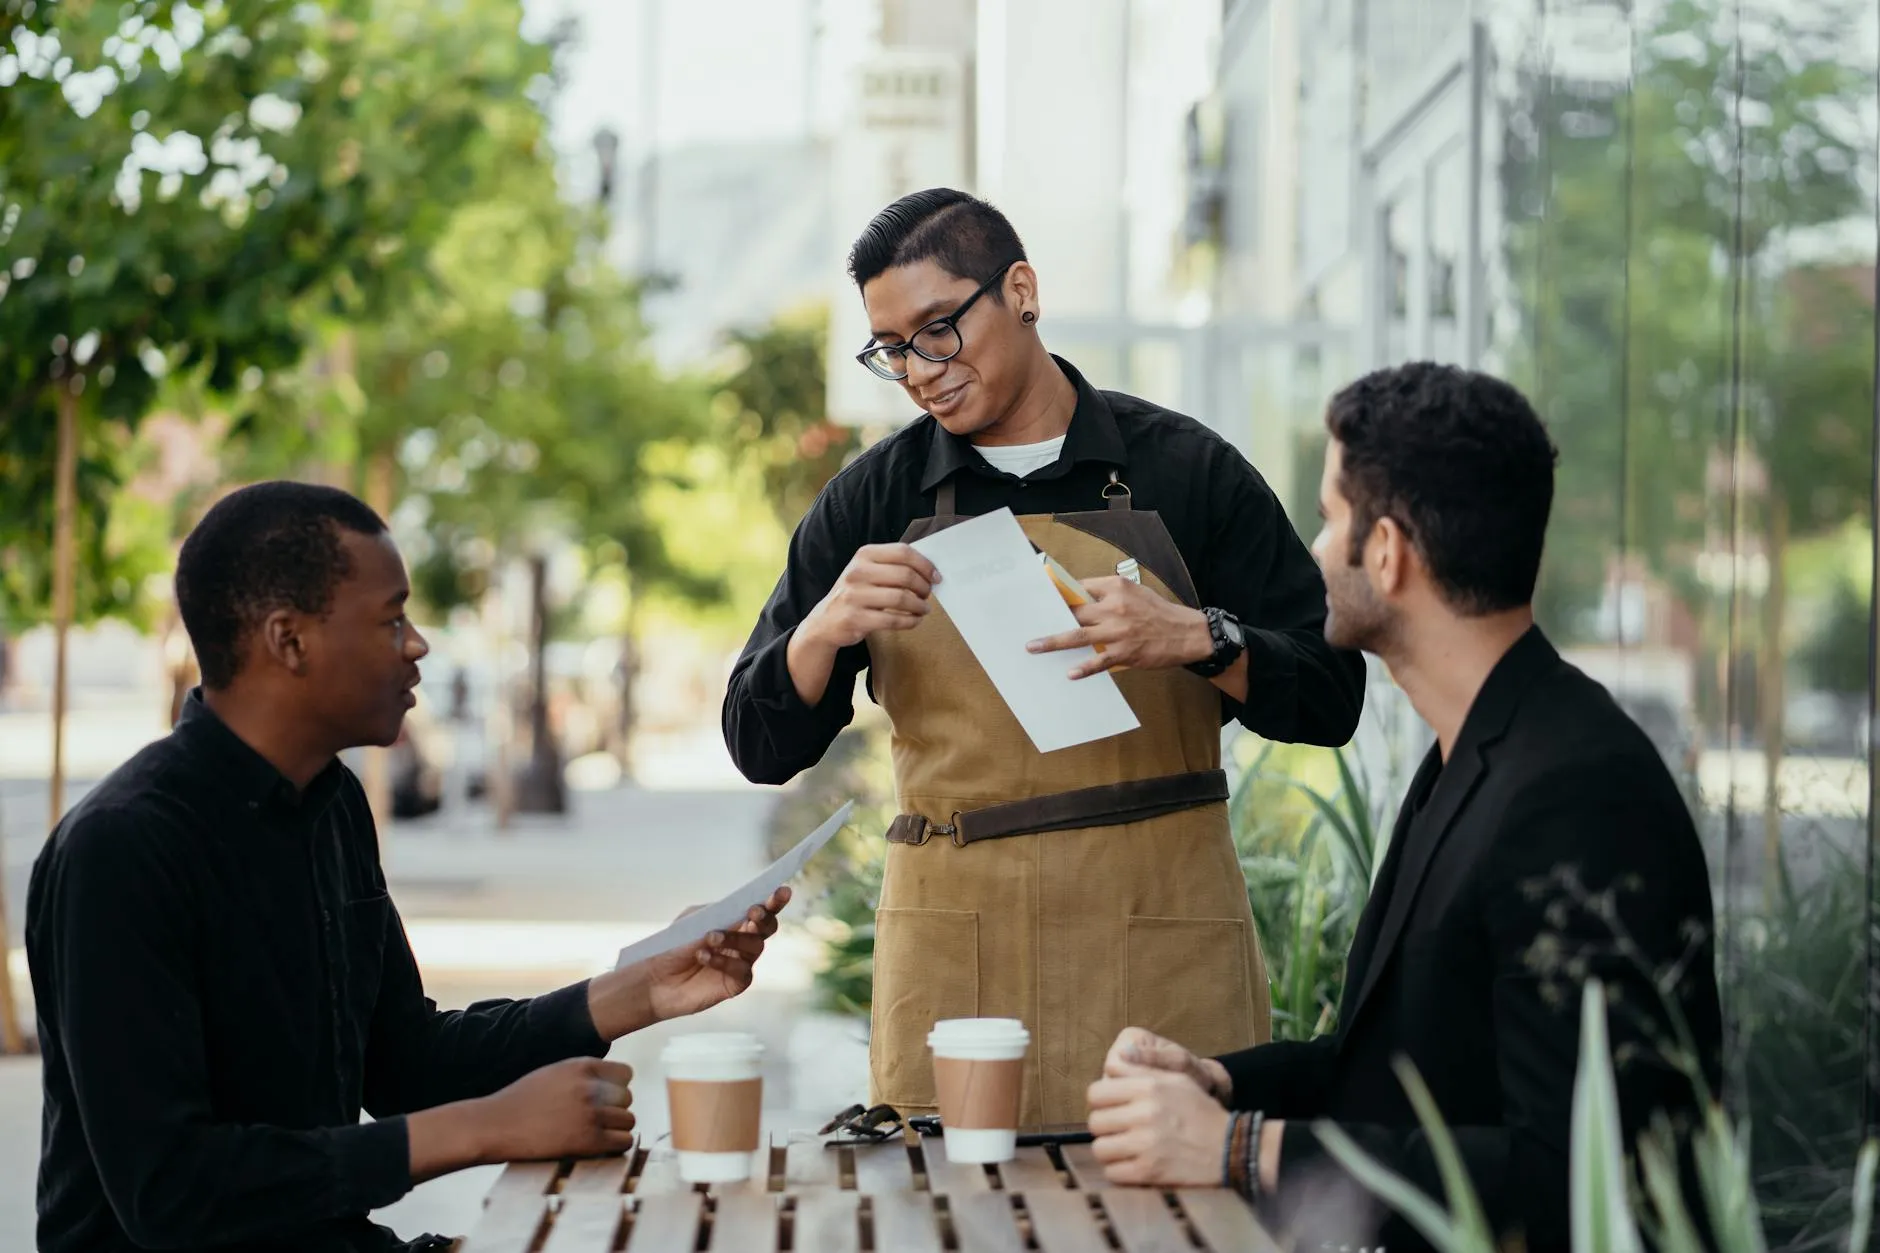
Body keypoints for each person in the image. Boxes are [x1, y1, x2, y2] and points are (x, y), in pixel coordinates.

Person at [722, 188, 1366, 1126]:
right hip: (955, 954)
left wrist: (1199, 637)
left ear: (1020, 290)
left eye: (938, 329)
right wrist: (823, 628)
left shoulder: (1190, 471)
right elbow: (756, 741)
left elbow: (1332, 698)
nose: (920, 371)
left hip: (1163, 938)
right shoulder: (872, 499)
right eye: (892, 348)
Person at [27, 482, 790, 1253]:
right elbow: (171, 1190)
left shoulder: (331, 806)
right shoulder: (123, 848)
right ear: (288, 640)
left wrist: (638, 988)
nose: (418, 643)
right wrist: (487, 1127)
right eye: (392, 618)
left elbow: (404, 1062)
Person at [1084, 364, 1723, 1250]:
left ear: (1386, 552)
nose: (1314, 548)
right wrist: (1220, 1083)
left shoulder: (1576, 794)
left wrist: (1242, 1148)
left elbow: (1578, 1175)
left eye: (1330, 517)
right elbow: (1399, 1076)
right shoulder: (1475, 748)